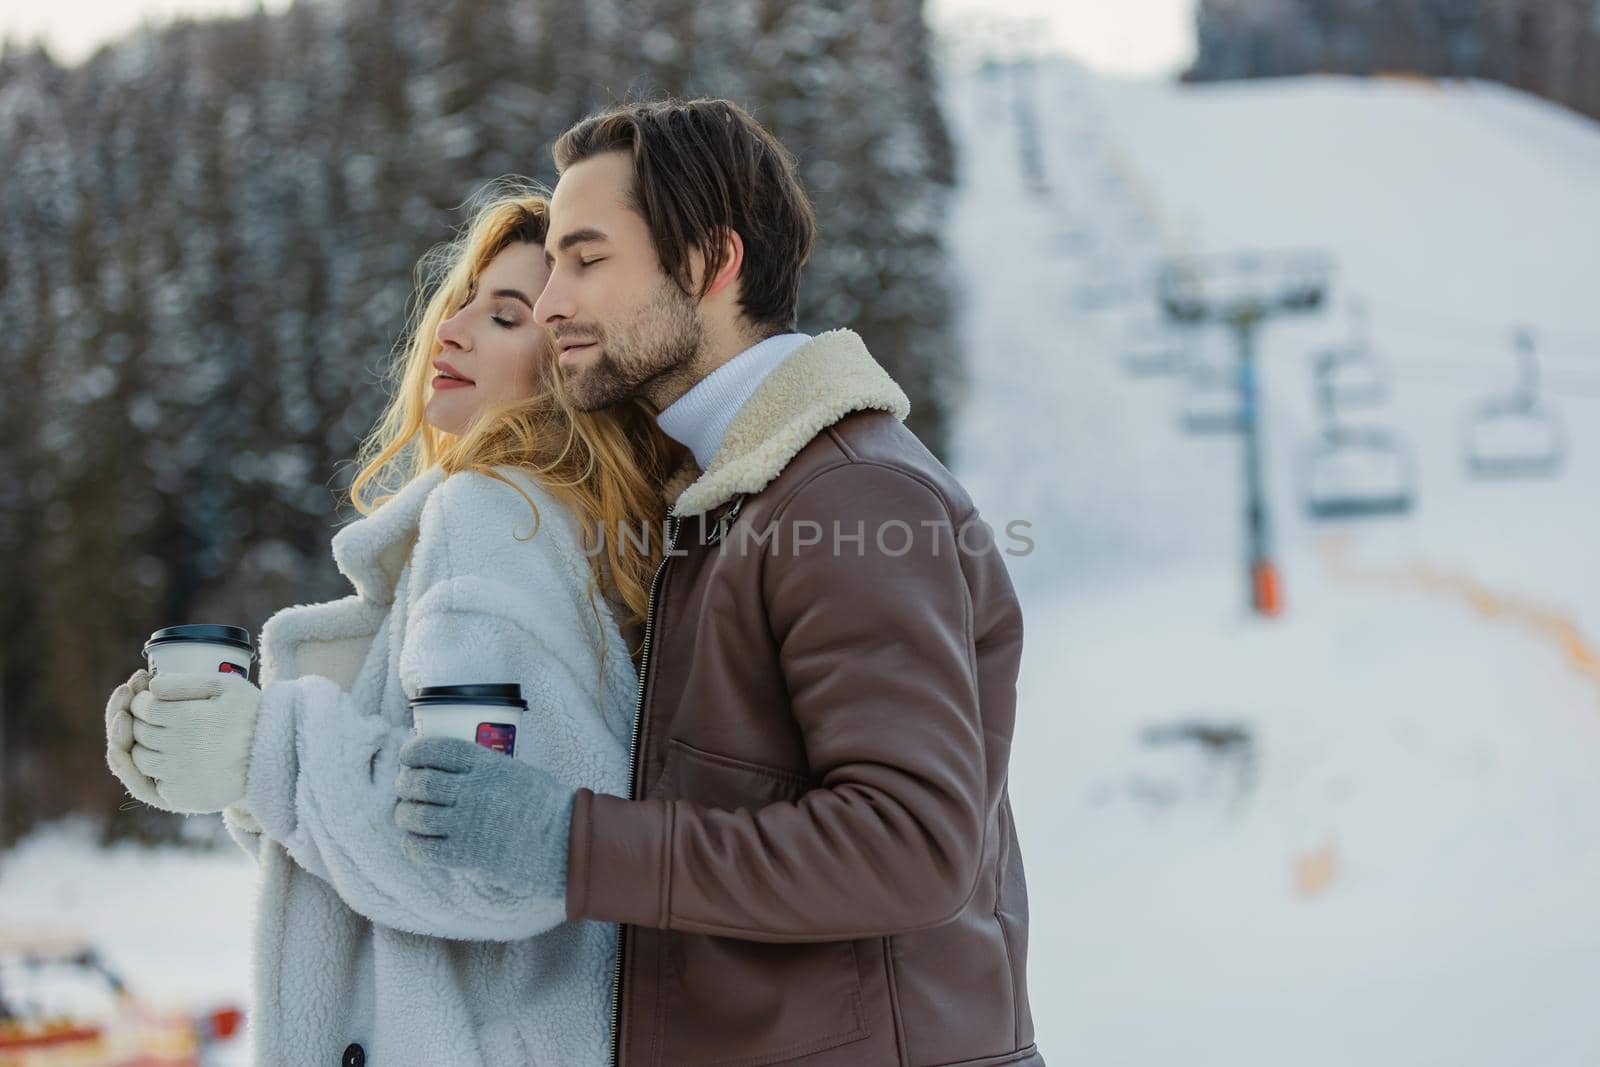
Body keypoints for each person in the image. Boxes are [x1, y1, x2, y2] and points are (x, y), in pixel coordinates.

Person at [393, 100, 1045, 1066]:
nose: (551, 301)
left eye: (587, 259)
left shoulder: (849, 491)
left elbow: (910, 844)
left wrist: (569, 843)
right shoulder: (728, 497)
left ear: (708, 263)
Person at [102, 182, 682, 1066]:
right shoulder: (556, 527)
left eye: (505, 315)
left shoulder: (495, 517)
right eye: (458, 306)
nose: (449, 332)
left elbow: (504, 854)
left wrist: (268, 749)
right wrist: (226, 757)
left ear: (570, 358)